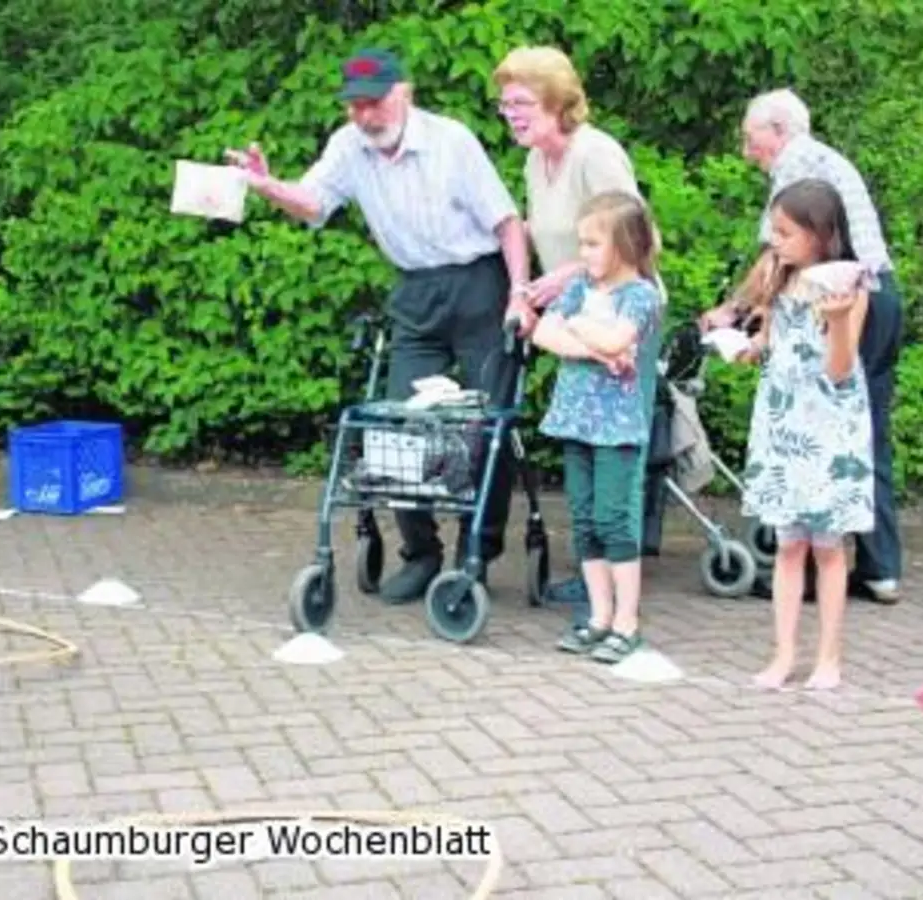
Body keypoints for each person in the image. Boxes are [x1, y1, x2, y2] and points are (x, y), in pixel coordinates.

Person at [226, 48, 537, 602]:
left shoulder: (452, 141)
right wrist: (269, 186)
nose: (365, 116)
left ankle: (475, 555)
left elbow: (508, 223)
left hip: (480, 285)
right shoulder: (349, 146)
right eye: (355, 106)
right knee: (395, 429)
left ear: (403, 94)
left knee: (483, 427)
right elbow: (315, 202)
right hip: (415, 291)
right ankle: (421, 554)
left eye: (374, 104)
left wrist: (519, 295)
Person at [702, 87, 905, 605]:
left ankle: (813, 570)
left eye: (752, 140)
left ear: (779, 130)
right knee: (866, 431)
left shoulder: (799, 165)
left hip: (837, 301)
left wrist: (732, 312)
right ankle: (881, 568)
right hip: (880, 295)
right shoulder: (826, 159)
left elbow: (779, 254)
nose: (748, 153)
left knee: (818, 429)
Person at [489, 46, 672, 608]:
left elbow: (639, 238)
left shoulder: (595, 153)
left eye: (521, 102)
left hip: (623, 313)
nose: (511, 113)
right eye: (504, 105)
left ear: (555, 100)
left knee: (617, 441)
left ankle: (624, 584)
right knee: (582, 440)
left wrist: (559, 281)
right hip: (577, 313)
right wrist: (532, 294)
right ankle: (597, 580)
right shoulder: (531, 161)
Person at [733, 178, 875, 691]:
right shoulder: (777, 275)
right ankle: (783, 654)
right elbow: (768, 342)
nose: (776, 241)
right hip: (783, 419)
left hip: (830, 426)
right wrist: (746, 347)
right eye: (774, 231)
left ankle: (829, 658)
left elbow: (839, 369)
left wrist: (836, 321)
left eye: (786, 232)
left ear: (822, 234)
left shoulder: (848, 286)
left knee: (829, 547)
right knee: (789, 545)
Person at [527, 192, 666, 664]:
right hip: (575, 421)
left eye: (591, 243)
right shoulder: (582, 285)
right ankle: (598, 616)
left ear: (625, 244)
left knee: (613, 519)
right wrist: (597, 349)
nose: (582, 254)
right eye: (580, 243)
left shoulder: (641, 295)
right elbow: (544, 332)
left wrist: (581, 329)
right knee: (584, 520)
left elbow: (616, 337)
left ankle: (627, 620)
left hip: (617, 428)